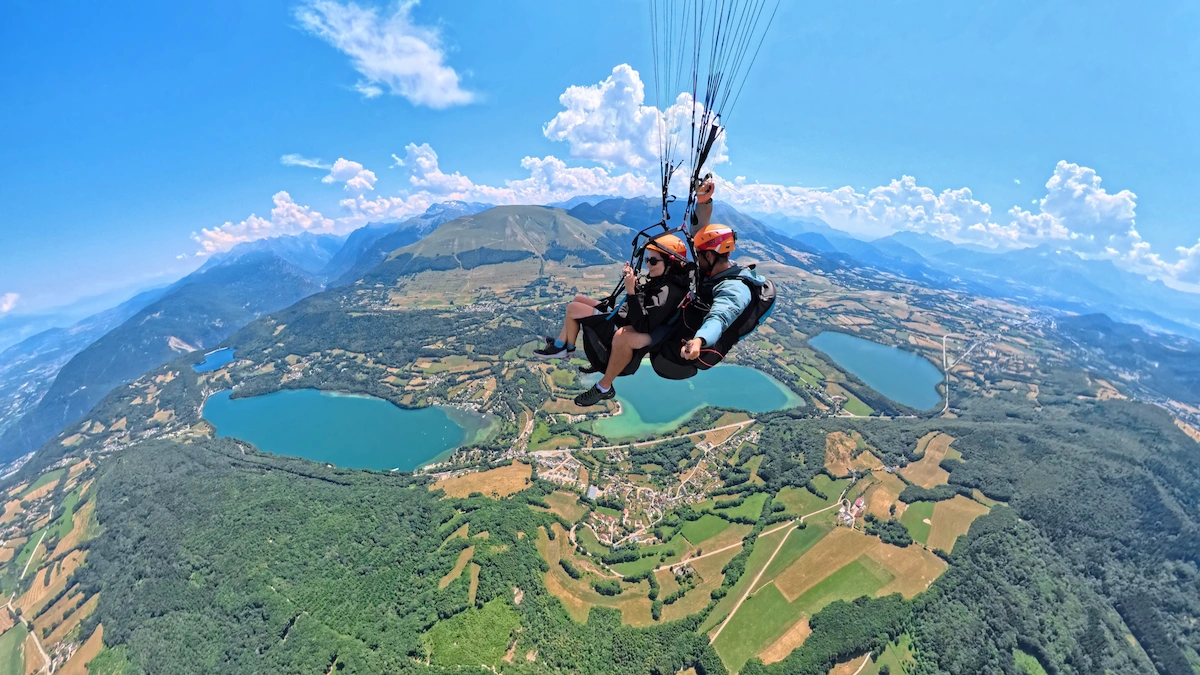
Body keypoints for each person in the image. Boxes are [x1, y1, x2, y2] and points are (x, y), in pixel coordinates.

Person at [539, 234, 691, 406]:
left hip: (637, 326)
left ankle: (594, 379)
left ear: (670, 263)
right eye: (647, 260)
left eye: (653, 261)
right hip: (627, 317)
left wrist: (631, 291)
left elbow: (643, 324)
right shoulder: (662, 280)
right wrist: (632, 280)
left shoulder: (667, 291)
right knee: (578, 300)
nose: (648, 264)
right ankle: (564, 347)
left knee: (574, 310)